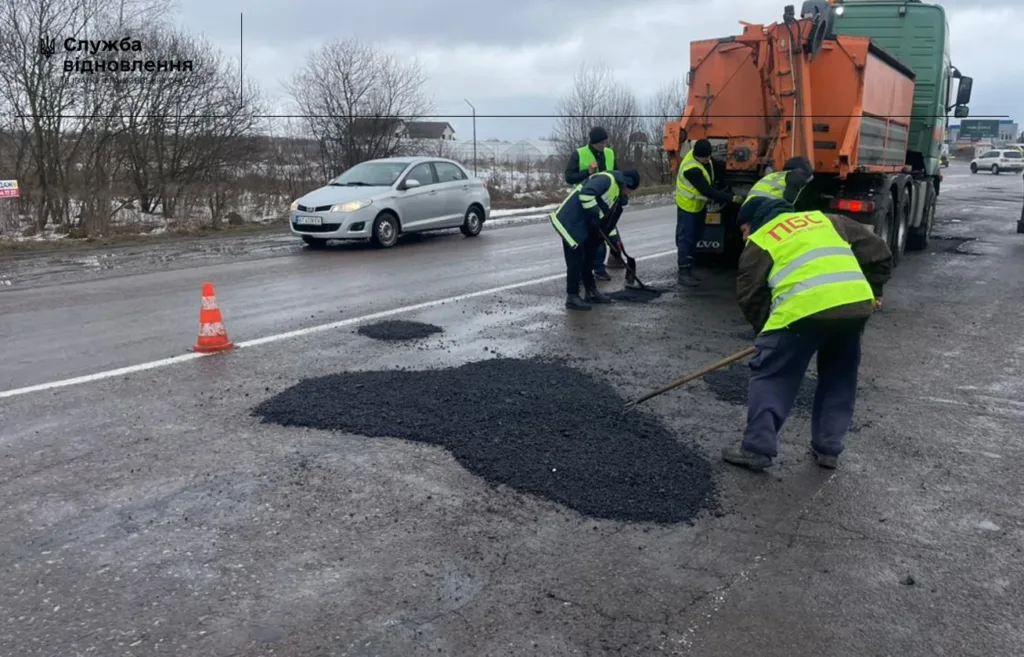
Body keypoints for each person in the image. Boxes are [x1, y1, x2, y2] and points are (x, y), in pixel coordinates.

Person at [721, 197, 893, 472]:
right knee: (839, 376)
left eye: (743, 230)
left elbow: (750, 295)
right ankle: (828, 449)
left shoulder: (762, 239)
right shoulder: (828, 220)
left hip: (802, 312)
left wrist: (767, 340)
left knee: (773, 376)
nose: (744, 236)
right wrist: (875, 289)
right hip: (853, 307)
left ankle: (757, 449)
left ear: (752, 223)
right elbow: (880, 251)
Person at [550, 169, 641, 311]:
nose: (629, 194)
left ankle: (591, 291)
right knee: (576, 260)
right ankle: (572, 296)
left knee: (589, 257)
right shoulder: (606, 180)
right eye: (630, 190)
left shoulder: (617, 195)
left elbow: (607, 220)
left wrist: (614, 241)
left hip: (584, 224)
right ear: (626, 184)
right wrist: (593, 216)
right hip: (571, 221)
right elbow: (586, 194)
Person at [674, 139, 743, 287]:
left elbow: (715, 167)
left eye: (707, 157)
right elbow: (707, 190)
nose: (706, 160)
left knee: (697, 236)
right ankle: (683, 272)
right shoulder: (691, 169)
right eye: (703, 158)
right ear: (697, 156)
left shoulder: (704, 158)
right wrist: (731, 198)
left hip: (698, 206)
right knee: (686, 238)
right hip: (687, 206)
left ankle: (690, 268)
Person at [564, 126, 622, 281]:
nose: (603, 146)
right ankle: (585, 270)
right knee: (586, 238)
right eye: (600, 143)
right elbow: (569, 177)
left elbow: (616, 173)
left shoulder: (609, 153)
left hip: (605, 202)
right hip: (584, 202)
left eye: (604, 142)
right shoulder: (580, 153)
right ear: (593, 142)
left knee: (601, 236)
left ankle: (599, 267)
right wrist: (588, 172)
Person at [742, 156, 815, 208]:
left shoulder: (774, 175)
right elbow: (788, 200)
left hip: (747, 208)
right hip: (764, 208)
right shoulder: (795, 175)